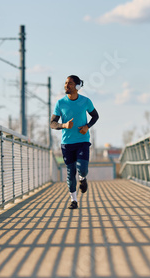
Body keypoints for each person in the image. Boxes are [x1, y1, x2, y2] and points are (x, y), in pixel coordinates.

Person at [50, 75, 99, 209]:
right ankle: (74, 200)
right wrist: (63, 126)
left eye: (70, 83)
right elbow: (52, 123)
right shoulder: (60, 103)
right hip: (67, 143)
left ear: (77, 87)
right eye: (66, 83)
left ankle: (83, 179)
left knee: (82, 168)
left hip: (82, 141)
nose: (66, 85)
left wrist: (87, 126)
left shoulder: (85, 101)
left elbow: (95, 116)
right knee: (71, 172)